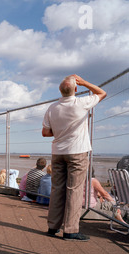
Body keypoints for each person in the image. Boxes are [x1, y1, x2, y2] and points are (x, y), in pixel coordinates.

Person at [42, 74, 107, 241]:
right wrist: (85, 82)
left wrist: (60, 130)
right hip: (77, 151)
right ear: (76, 89)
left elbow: (45, 132)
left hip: (58, 152)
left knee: (57, 189)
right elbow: (102, 93)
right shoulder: (81, 102)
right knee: (74, 190)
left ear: (60, 90)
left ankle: (53, 226)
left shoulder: (52, 108)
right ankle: (70, 230)